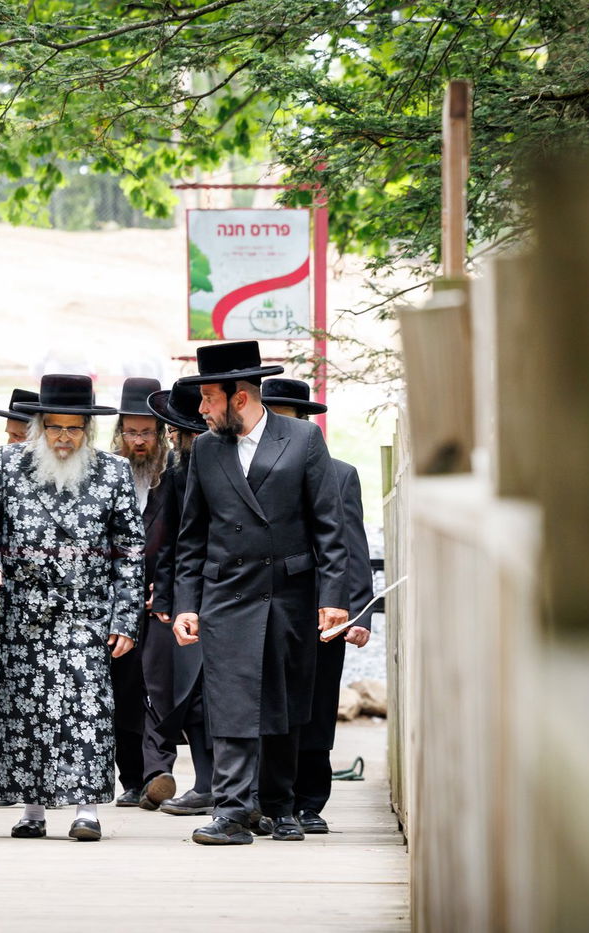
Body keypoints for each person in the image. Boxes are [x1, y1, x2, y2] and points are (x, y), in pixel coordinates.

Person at [172, 341, 349, 846]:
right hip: (226, 593)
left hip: (288, 593)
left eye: (209, 398)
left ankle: (280, 805)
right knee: (228, 703)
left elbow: (329, 529)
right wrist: (187, 604)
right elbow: (193, 536)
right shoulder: (207, 448)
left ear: (240, 398)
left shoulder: (303, 439)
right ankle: (231, 811)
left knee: (283, 703)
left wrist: (332, 597)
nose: (202, 410)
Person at [0, 373, 144, 842]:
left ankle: (86, 810)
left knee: (85, 710)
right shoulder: (6, 464)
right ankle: (33, 810)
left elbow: (130, 550)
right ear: (39, 426)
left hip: (86, 611)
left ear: (88, 430)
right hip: (23, 609)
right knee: (27, 712)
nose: (64, 439)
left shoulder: (113, 470)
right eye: (55, 428)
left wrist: (125, 618)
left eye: (74, 429)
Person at [260, 378, 375, 835]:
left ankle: (310, 800)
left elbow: (352, 545)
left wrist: (357, 610)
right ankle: (268, 798)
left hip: (323, 608)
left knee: (318, 705)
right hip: (270, 604)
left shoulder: (340, 472)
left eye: (291, 417)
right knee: (270, 705)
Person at [143, 380, 216, 817]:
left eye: (175, 430)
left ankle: (233, 786)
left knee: (224, 695)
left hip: (231, 592)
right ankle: (206, 783)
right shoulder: (176, 474)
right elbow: (172, 543)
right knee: (189, 695)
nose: (170, 437)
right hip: (189, 597)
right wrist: (167, 594)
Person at [108, 377, 177, 810]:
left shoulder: (175, 477)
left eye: (146, 432)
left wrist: (165, 589)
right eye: (131, 432)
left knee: (160, 686)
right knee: (122, 687)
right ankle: (132, 778)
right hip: (116, 601)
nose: (138, 440)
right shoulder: (105, 474)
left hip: (161, 600)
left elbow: (183, 538)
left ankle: (157, 771)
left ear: (161, 433)